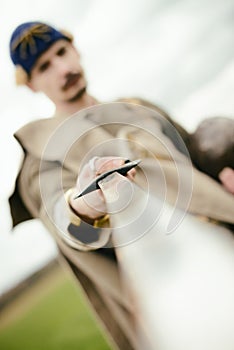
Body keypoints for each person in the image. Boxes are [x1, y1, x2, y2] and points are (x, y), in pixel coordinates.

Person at [8, 21, 234, 350]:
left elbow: (194, 163)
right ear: (31, 84)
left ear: (75, 48)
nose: (63, 68)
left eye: (61, 52)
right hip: (176, 294)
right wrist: (84, 206)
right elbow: (69, 226)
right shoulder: (42, 158)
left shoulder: (137, 107)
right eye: (44, 67)